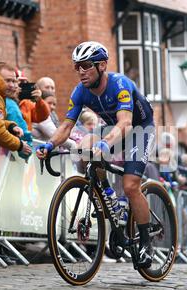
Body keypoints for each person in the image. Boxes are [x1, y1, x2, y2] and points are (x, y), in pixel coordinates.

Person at [36, 41, 156, 268]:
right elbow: (66, 127)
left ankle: (147, 243)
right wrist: (50, 145)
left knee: (131, 186)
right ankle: (108, 195)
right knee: (84, 151)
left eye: (86, 66)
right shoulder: (80, 91)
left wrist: (104, 143)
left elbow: (126, 124)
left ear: (102, 65)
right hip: (112, 127)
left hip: (139, 128)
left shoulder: (120, 84)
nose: (81, 71)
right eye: (77, 67)